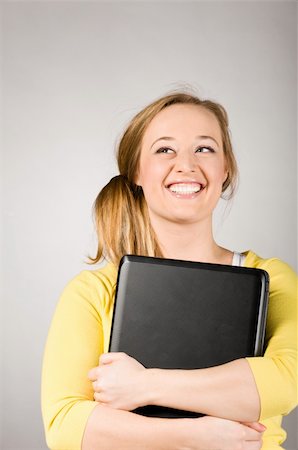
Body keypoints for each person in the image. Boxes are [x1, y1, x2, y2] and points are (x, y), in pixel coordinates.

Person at [41, 91, 297, 450]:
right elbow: (65, 426)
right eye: (165, 150)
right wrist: (195, 435)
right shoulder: (93, 291)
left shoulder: (271, 277)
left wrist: (144, 385)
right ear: (136, 172)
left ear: (226, 169)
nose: (187, 165)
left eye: (205, 149)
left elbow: (284, 383)